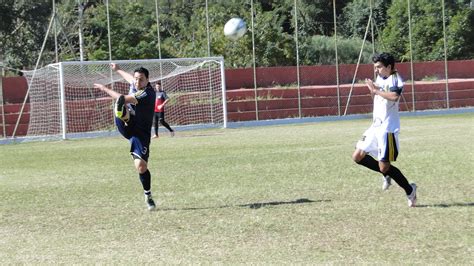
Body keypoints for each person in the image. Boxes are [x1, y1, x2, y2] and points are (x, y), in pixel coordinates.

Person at [352, 52, 417, 207]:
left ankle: (410, 190)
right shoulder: (380, 77)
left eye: (379, 67)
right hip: (375, 126)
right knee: (357, 156)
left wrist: (375, 90)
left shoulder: (396, 79)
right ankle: (385, 174)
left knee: (384, 166)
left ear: (389, 67)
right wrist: (372, 90)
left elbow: (394, 96)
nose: (376, 70)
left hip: (388, 129)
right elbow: (377, 98)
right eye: (375, 67)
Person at [94, 64, 157, 211]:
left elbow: (123, 98)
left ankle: (148, 195)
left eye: (141, 80)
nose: (137, 82)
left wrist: (104, 89)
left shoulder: (146, 93)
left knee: (141, 167)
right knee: (120, 107)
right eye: (136, 79)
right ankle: (124, 116)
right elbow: (130, 78)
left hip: (140, 133)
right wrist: (117, 69)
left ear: (148, 80)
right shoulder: (136, 83)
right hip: (128, 126)